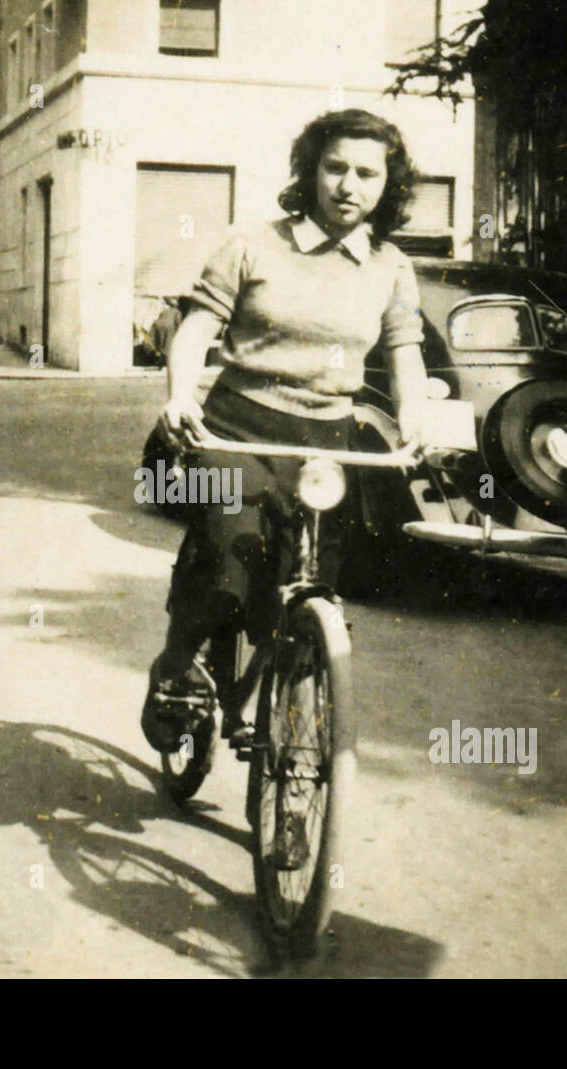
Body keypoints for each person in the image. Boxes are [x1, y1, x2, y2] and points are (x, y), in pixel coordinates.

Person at [142, 108, 430, 752]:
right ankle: (177, 664)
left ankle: (272, 705)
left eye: (366, 172)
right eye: (335, 168)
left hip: (325, 443)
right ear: (310, 171)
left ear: (389, 185)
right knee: (229, 553)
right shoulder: (253, 244)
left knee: (304, 583)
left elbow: (404, 351)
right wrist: (180, 395)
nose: (348, 185)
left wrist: (415, 421)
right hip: (239, 429)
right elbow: (194, 333)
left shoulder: (391, 267)